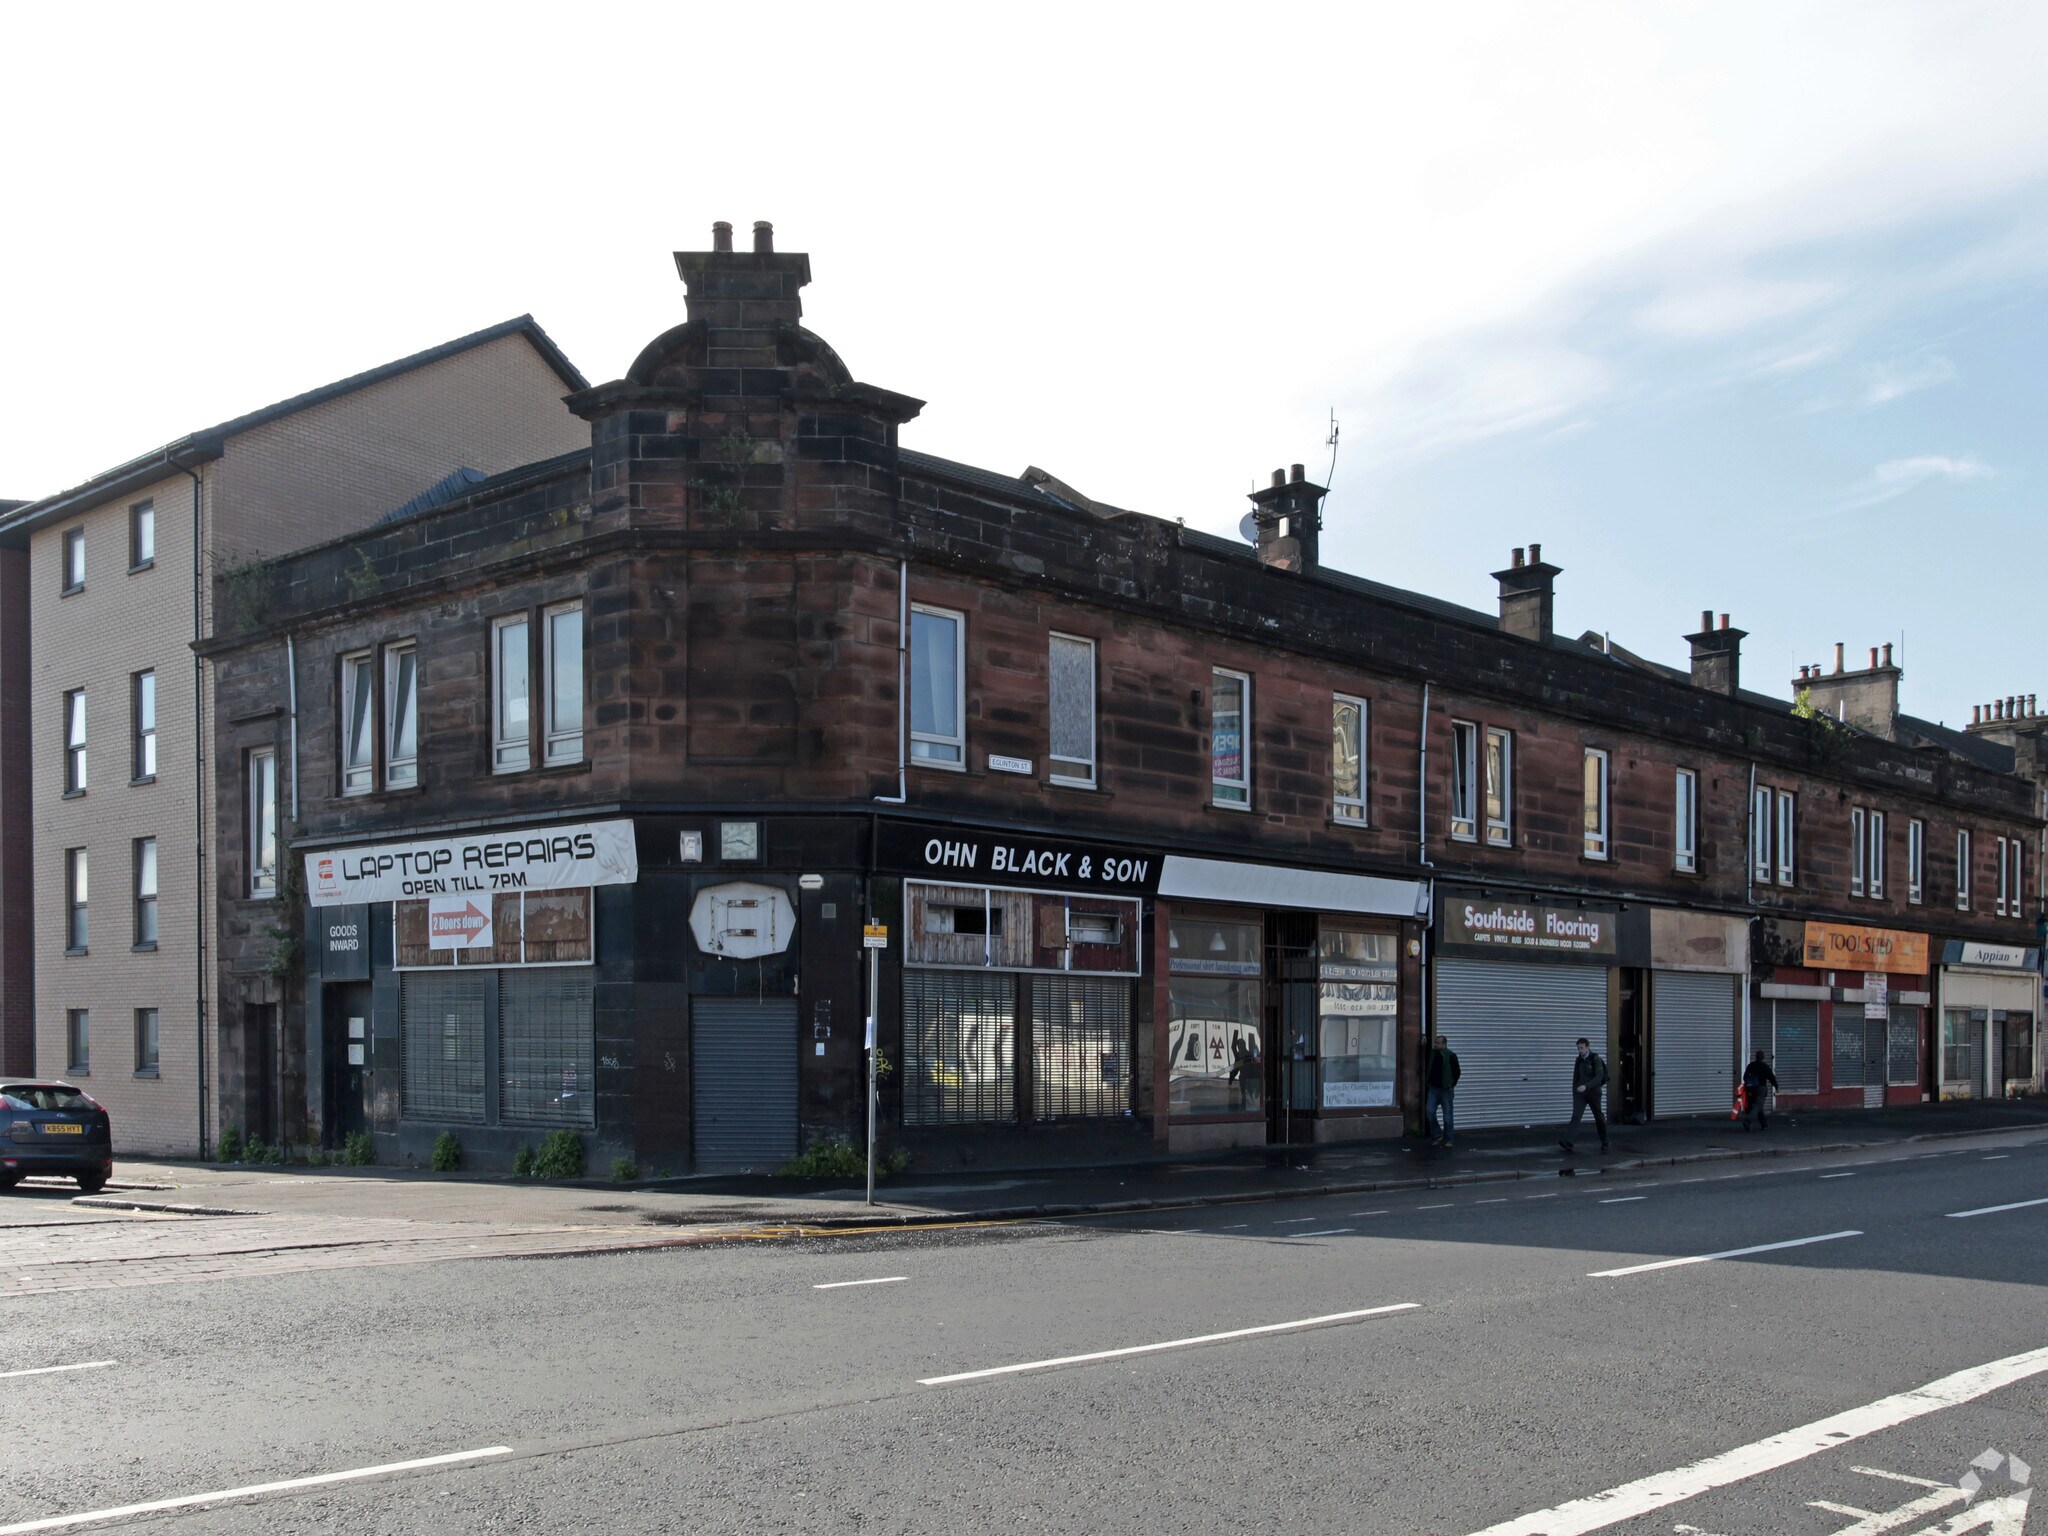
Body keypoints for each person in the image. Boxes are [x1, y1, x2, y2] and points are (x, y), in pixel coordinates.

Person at [1560, 1037, 1610, 1153]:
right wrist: (1575, 1092)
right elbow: (1575, 1078)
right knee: (1576, 1116)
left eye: (1582, 1048)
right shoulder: (1578, 1060)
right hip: (1580, 1093)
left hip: (1594, 1092)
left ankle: (1605, 1141)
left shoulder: (1595, 1059)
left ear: (1587, 1047)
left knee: (1599, 1117)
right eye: (1578, 1048)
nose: (1580, 1051)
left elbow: (1599, 1077)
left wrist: (1586, 1086)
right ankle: (1569, 1142)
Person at [1425, 1036, 1462, 1147]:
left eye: (1438, 1043)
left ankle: (1448, 1139)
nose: (1435, 1045)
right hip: (1434, 1088)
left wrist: (1451, 1084)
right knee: (1429, 1111)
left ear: (1444, 1044)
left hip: (1446, 1090)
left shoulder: (1451, 1056)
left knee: (1447, 1116)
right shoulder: (1432, 1054)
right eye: (1435, 1042)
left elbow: (1457, 1072)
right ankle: (1437, 1134)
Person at [1740, 1048, 1778, 1131]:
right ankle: (1748, 1121)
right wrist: (1776, 1085)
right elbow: (1771, 1076)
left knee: (1758, 1106)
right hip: (1761, 1087)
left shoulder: (1751, 1065)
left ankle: (1764, 1124)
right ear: (1763, 1057)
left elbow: (1745, 1076)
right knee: (1758, 1105)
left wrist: (1747, 1086)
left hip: (1751, 1088)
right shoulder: (1764, 1066)